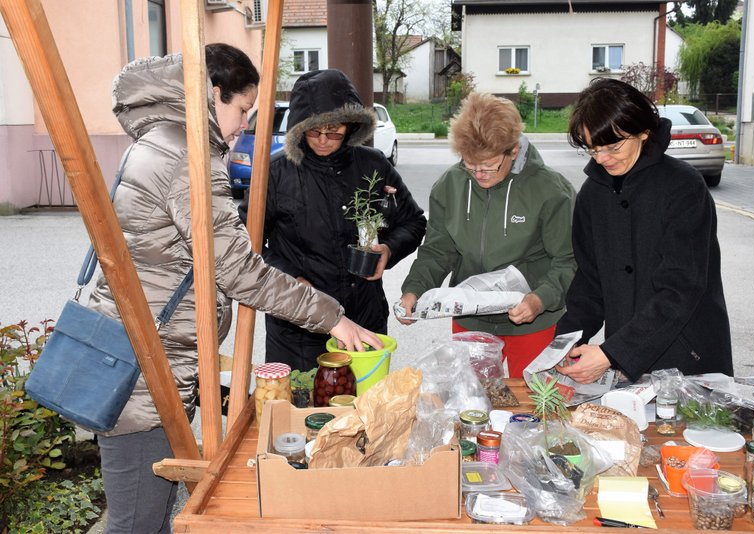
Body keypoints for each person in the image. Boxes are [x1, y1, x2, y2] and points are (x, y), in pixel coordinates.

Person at [89, 44, 381, 533]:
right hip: (140, 374)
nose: (245, 123)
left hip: (146, 359)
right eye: (242, 109)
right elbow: (240, 272)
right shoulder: (185, 156)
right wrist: (333, 315)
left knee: (155, 516)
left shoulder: (165, 140)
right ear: (212, 93)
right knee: (137, 523)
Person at [240, 69, 426, 371]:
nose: (324, 140)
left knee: (364, 410)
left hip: (364, 316)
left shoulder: (373, 164)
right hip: (297, 326)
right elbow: (248, 243)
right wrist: (291, 279)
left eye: (334, 130)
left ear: (351, 126)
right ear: (300, 128)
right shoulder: (274, 172)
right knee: (301, 412)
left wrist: (389, 250)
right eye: (314, 131)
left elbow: (414, 222)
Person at [555, 78, 733, 385]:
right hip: (627, 360)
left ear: (643, 131)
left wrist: (612, 353)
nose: (601, 158)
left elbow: (681, 288)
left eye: (612, 146)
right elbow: (589, 281)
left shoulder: (683, 186)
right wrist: (564, 343)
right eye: (593, 148)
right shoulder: (592, 194)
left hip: (689, 358)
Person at [398, 92, 576, 378]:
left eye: (488, 166)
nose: (479, 174)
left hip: (533, 320)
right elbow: (438, 249)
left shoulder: (551, 191)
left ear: (514, 150)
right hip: (471, 320)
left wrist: (541, 299)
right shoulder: (451, 184)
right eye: (470, 165)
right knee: (471, 404)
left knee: (535, 405)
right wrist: (414, 289)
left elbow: (568, 259)